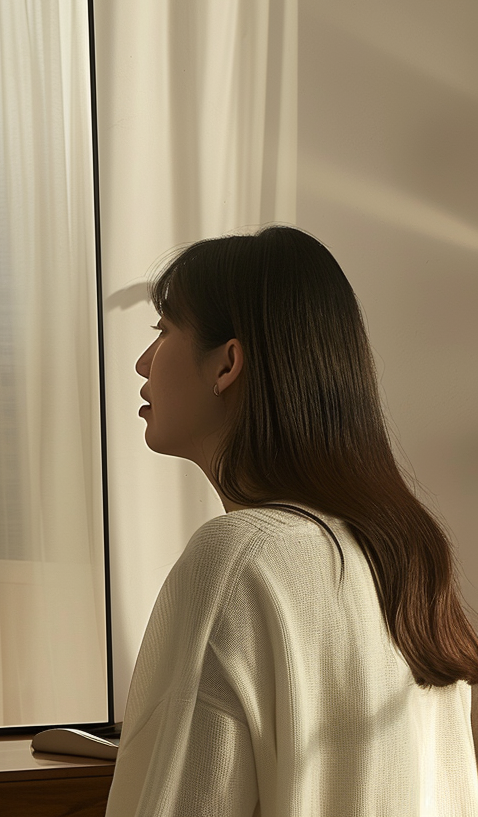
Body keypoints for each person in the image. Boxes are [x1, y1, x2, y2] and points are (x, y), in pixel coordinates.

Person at [105, 226, 478, 816]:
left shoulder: (239, 557)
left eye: (163, 330)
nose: (143, 361)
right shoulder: (405, 554)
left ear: (227, 363)